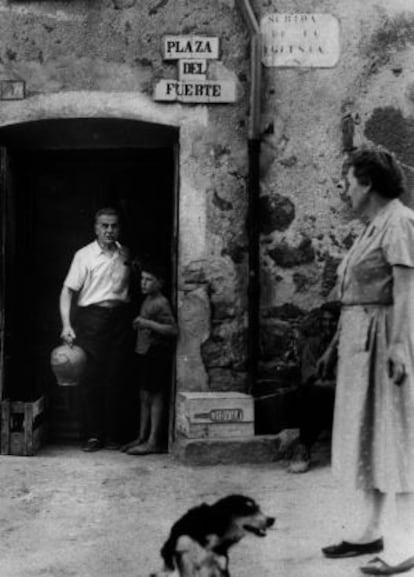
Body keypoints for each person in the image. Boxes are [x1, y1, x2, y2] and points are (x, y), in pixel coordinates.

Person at [319, 146, 414, 575]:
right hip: (362, 340)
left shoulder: (400, 222)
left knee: (397, 437)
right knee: (372, 435)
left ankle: (407, 541)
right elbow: (354, 293)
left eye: (348, 182)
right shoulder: (372, 225)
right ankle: (372, 529)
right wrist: (334, 344)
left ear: (368, 183)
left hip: (387, 339)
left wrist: (399, 346)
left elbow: (406, 289)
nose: (344, 190)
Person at [60, 207, 132, 452]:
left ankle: (116, 434)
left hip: (120, 319)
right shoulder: (84, 255)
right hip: (92, 319)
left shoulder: (125, 254)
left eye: (114, 226)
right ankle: (93, 435)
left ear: (119, 228)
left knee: (119, 376)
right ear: (95, 227)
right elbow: (67, 291)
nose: (109, 230)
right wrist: (67, 325)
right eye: (104, 225)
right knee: (92, 378)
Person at [122, 263, 177, 455]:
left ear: (159, 283)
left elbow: (172, 330)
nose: (143, 283)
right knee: (144, 395)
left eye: (149, 280)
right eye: (142, 279)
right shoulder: (148, 299)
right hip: (145, 352)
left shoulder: (161, 302)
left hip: (156, 352)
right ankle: (141, 437)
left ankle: (153, 441)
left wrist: (146, 323)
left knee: (155, 396)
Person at [288, 302, 340, 473]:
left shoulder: (350, 346)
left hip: (343, 401)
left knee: (316, 392)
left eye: (333, 321)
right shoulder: (314, 344)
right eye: (325, 320)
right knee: (308, 393)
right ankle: (303, 447)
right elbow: (308, 376)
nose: (328, 325)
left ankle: (304, 446)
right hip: (321, 398)